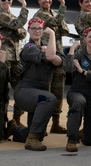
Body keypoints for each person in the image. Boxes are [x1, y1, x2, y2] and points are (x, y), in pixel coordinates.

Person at [10, 20, 65, 151]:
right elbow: (51, 56)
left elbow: (60, 61)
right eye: (33, 28)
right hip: (25, 91)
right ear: (28, 30)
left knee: (40, 134)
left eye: (39, 28)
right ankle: (31, 139)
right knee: (50, 99)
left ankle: (16, 130)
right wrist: (52, 34)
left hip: (39, 94)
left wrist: (50, 52)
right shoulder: (28, 48)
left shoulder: (47, 47)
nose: (36, 31)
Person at [31, 0, 69, 134]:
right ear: (39, 1)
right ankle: (42, 124)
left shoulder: (53, 13)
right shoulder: (40, 14)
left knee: (58, 89)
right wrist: (63, 5)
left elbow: (64, 29)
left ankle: (56, 123)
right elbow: (58, 22)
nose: (47, 1)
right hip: (46, 56)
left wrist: (59, 20)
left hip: (58, 54)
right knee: (45, 90)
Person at [0, 0, 29, 128]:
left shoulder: (10, 15)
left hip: (15, 58)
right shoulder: (0, 15)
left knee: (20, 90)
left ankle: (16, 120)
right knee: (2, 92)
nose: (7, 1)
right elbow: (18, 26)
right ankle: (1, 122)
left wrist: (17, 28)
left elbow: (23, 33)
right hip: (4, 58)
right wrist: (24, 7)